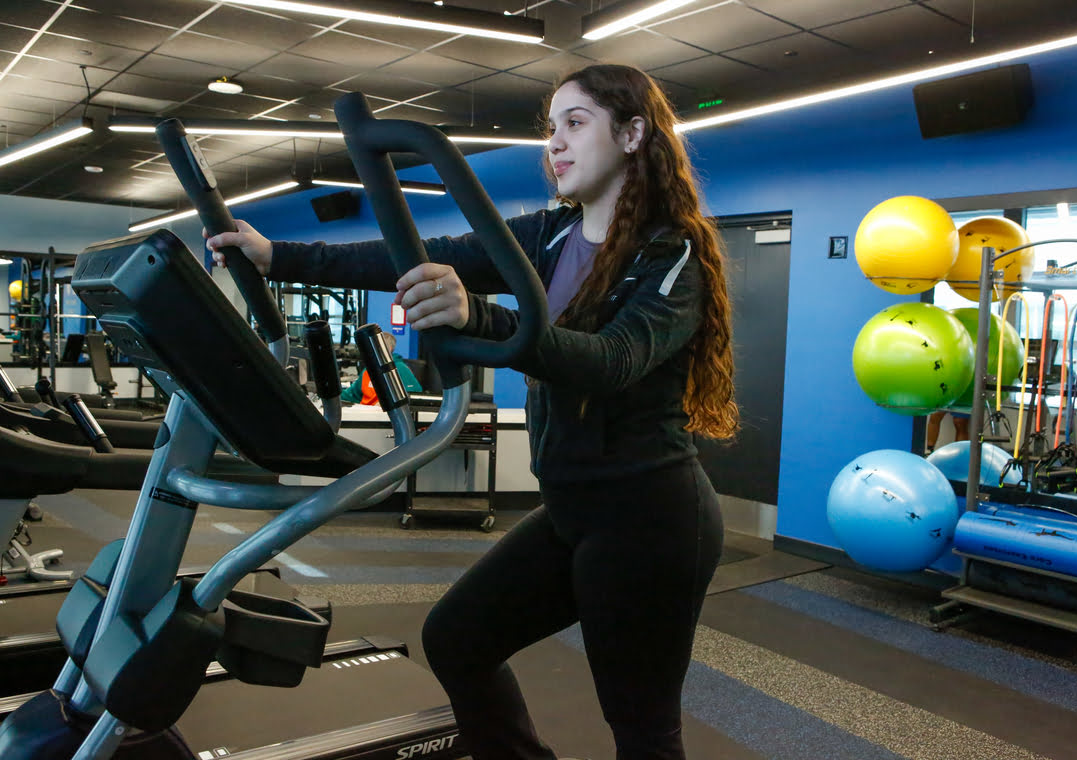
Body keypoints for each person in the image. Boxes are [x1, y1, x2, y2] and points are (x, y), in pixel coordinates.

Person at [207, 63, 737, 760]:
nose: (556, 144)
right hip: (572, 509)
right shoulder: (553, 235)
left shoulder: (674, 254)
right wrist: (277, 255)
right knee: (456, 639)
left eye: (576, 124)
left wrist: (482, 316)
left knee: (639, 724)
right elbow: (416, 254)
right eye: (551, 129)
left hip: (649, 520)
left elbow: (612, 360)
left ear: (634, 133)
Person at [338, 331, 424, 405]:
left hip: (383, 417)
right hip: (364, 413)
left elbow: (414, 395)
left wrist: (388, 404)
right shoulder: (369, 369)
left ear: (388, 349)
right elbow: (351, 394)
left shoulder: (401, 369)